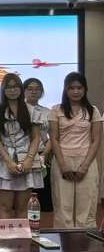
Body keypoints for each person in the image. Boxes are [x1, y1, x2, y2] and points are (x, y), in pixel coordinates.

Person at [0, 73, 43, 219]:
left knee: (23, 207)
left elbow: (36, 137)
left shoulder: (32, 110)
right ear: (3, 89)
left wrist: (29, 159)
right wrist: (9, 162)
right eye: (9, 87)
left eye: (16, 86)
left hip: (26, 159)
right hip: (3, 161)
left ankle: (22, 235)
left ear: (21, 89)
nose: (12, 90)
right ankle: (5, 235)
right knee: (5, 206)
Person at [49, 72, 102, 229]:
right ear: (65, 90)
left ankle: (86, 244)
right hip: (62, 161)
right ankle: (64, 244)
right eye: (71, 88)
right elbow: (54, 138)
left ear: (85, 89)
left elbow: (96, 140)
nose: (76, 91)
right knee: (62, 209)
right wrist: (63, 166)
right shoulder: (56, 110)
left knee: (86, 208)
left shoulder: (93, 110)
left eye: (79, 88)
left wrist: (84, 166)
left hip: (87, 161)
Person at [24, 78, 53, 211]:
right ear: (24, 91)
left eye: (37, 89)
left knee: (43, 199)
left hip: (43, 156)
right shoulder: (20, 110)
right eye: (30, 89)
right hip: (24, 156)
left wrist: (44, 155)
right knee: (25, 197)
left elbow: (53, 136)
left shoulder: (47, 111)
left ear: (42, 92)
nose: (34, 92)